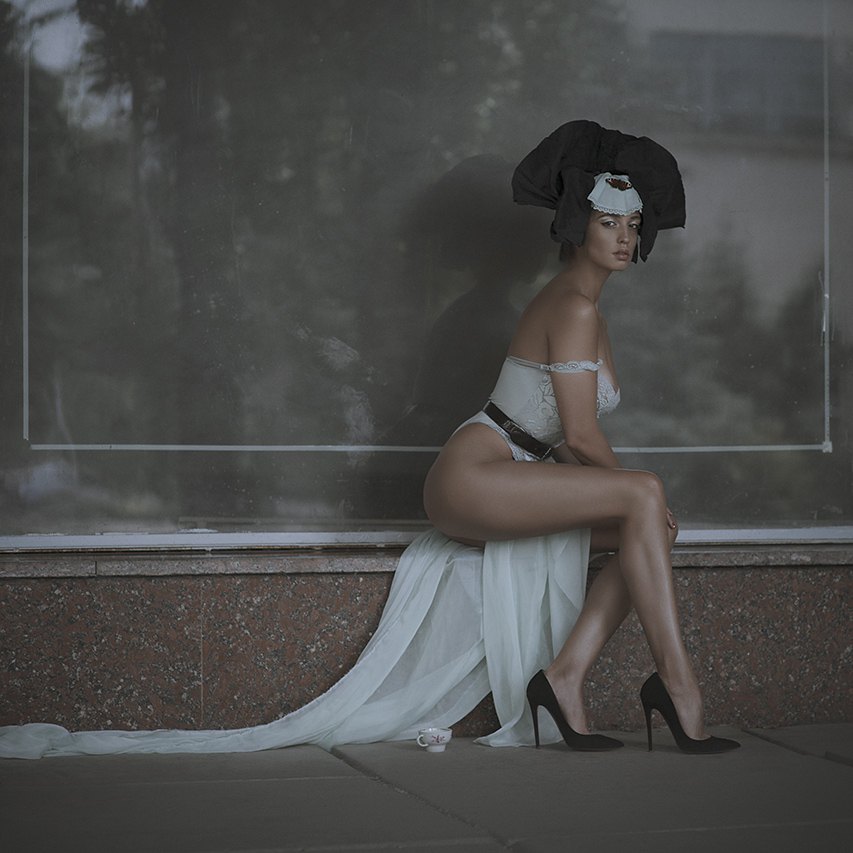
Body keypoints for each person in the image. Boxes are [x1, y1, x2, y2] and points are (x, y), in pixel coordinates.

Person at [0, 120, 738, 759]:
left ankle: (564, 678)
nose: (624, 236)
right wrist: (637, 495)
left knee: (649, 526)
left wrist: (640, 509)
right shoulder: (570, 306)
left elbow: (573, 444)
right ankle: (681, 690)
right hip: (476, 470)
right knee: (645, 499)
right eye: (608, 221)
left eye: (632, 223)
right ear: (576, 224)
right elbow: (578, 434)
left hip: (520, 470)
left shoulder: (588, 311)